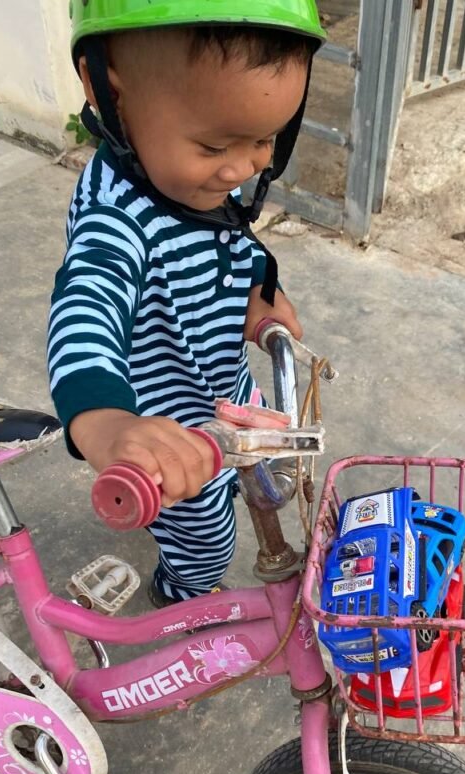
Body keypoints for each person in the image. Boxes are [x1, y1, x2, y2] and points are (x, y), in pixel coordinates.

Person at [46, 0, 325, 606]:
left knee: (268, 479)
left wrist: (256, 296)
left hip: (223, 393)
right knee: (209, 539)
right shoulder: (115, 220)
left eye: (265, 140)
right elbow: (85, 309)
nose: (240, 168)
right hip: (167, 428)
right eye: (212, 144)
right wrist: (107, 421)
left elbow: (226, 246)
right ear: (107, 91)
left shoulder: (186, 183)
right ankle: (183, 594)